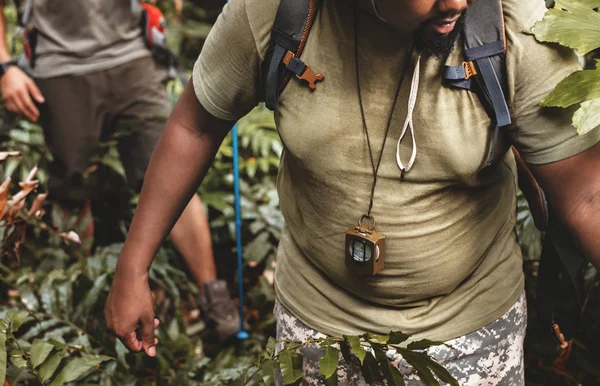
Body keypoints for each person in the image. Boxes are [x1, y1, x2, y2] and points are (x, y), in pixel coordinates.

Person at [105, 0, 600, 383]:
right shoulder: (280, 14)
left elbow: (586, 196)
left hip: (469, 332)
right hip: (316, 324)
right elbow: (195, 125)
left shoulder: (513, 24)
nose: (458, 3)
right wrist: (134, 265)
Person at [0, 0, 242, 341]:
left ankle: (213, 297)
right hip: (58, 66)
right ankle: (76, 306)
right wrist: (5, 67)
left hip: (131, 57)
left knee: (175, 173)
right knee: (73, 186)